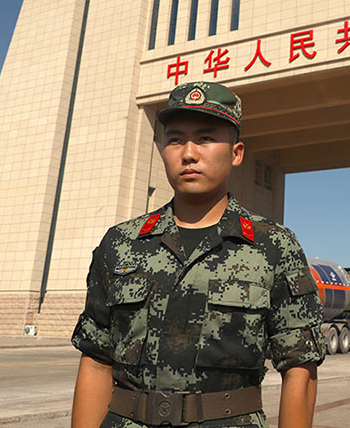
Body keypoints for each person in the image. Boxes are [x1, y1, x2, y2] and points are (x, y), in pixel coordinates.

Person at [71, 81, 325, 428]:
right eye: (175, 140)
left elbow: (300, 368)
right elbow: (96, 359)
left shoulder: (273, 246)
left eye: (205, 138)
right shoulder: (121, 243)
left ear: (236, 153)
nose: (188, 153)